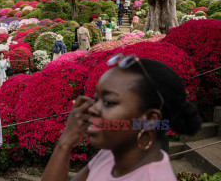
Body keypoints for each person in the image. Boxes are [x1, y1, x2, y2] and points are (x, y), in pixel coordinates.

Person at [41, 55, 202, 181]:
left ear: (151, 119)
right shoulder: (111, 155)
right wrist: (65, 143)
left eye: (109, 102)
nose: (93, 109)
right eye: (96, 99)